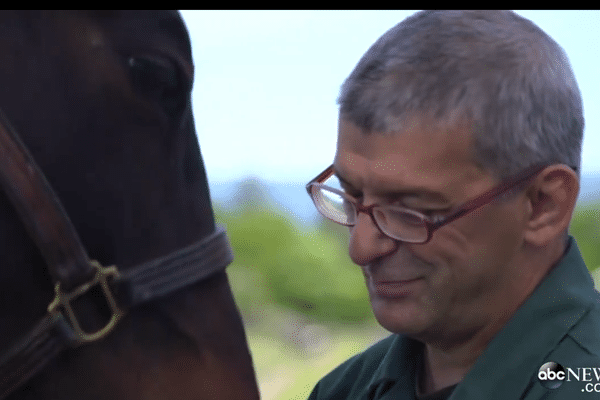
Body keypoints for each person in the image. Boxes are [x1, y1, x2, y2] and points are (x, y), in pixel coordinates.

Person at [306, 10, 599, 400]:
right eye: (353, 196)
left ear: (543, 205)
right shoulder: (345, 391)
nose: (361, 249)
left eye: (410, 211)